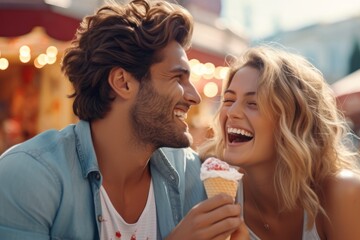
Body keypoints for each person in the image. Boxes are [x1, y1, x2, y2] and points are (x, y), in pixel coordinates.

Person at [0, 1, 245, 239]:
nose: (194, 97)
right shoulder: (28, 176)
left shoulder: (192, 174)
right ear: (123, 82)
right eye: (177, 78)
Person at [198, 45, 360, 240]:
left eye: (252, 103)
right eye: (229, 100)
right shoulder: (208, 182)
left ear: (292, 122)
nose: (231, 112)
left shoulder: (340, 191)